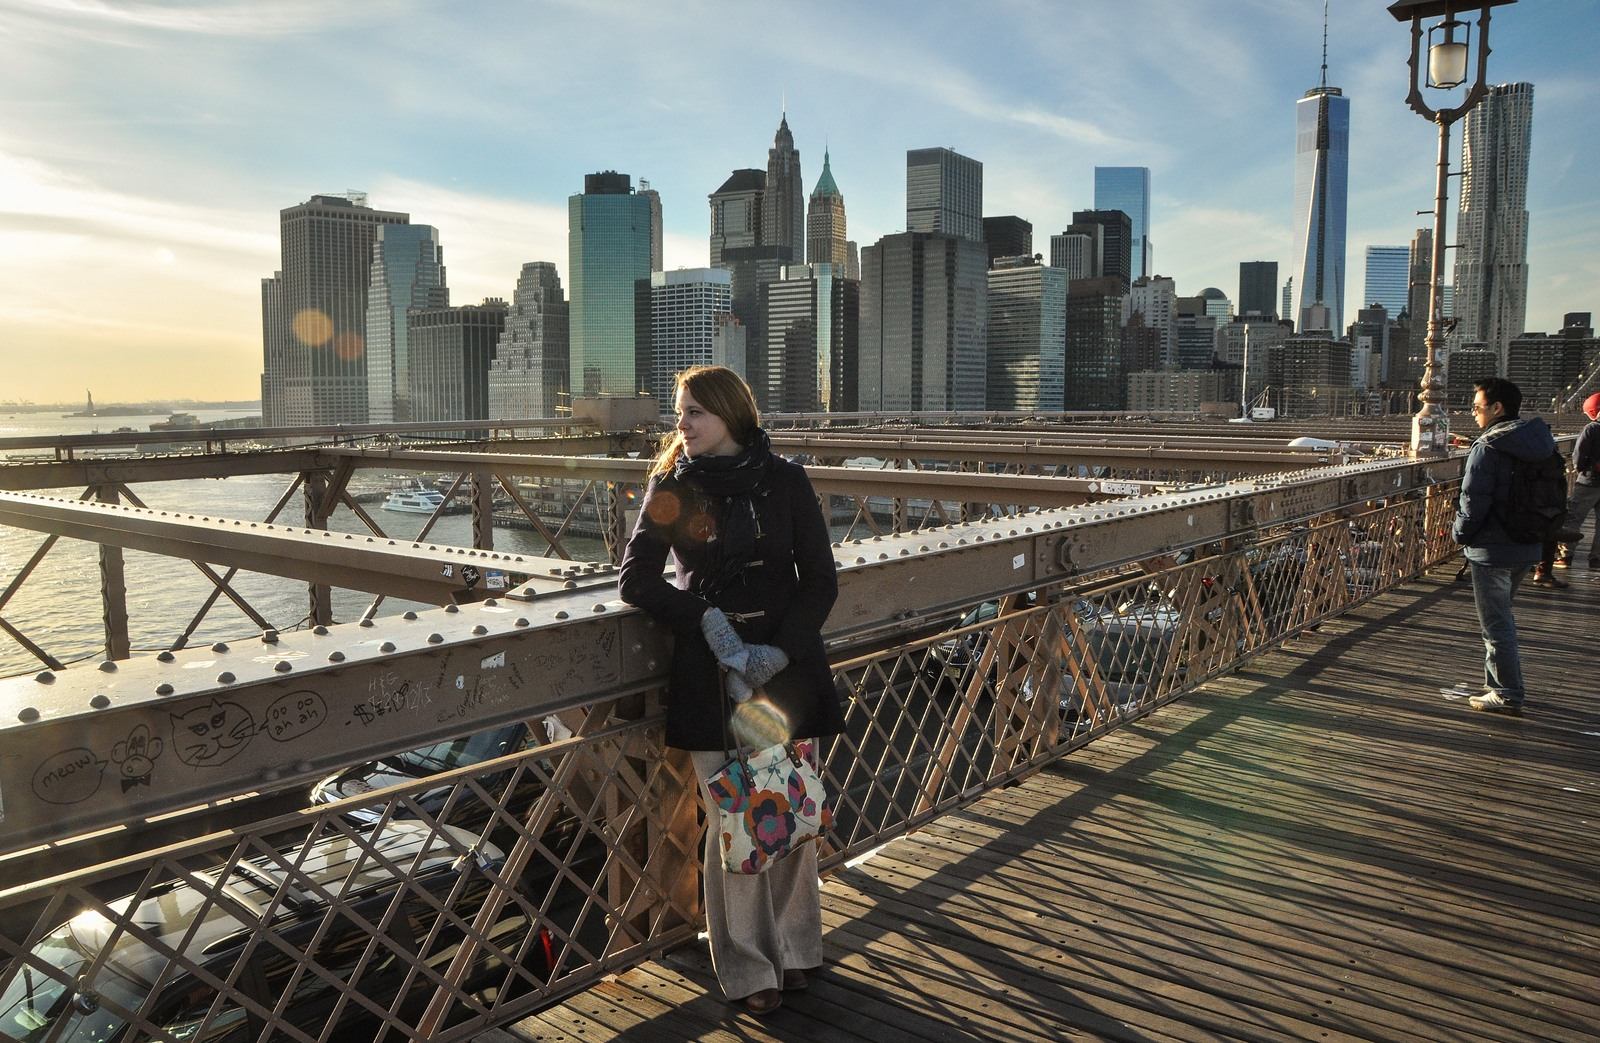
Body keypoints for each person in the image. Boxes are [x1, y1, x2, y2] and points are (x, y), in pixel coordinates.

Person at [618, 365, 844, 1015]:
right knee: (734, 823)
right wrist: (707, 620)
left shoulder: (786, 480)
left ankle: (797, 949)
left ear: (730, 416)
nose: (681, 425)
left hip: (784, 672)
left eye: (694, 413)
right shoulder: (673, 486)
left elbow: (820, 580)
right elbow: (637, 580)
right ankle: (748, 968)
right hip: (712, 676)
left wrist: (779, 649)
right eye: (680, 413)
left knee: (790, 815)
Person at [1451, 377, 1557, 714]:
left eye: (1477, 407)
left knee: (1497, 625)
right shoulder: (1541, 443)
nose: (1474, 414)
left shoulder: (1488, 447)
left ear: (1497, 408)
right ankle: (1495, 683)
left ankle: (1507, 692)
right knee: (1501, 619)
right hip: (1528, 544)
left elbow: (1472, 502)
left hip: (1492, 549)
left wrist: (1459, 534)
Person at [1554, 391, 1600, 570]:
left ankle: (1566, 556)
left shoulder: (1592, 429)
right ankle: (1596, 558)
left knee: (1574, 518)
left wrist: (1581, 469)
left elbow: (1578, 454)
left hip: (1589, 481)